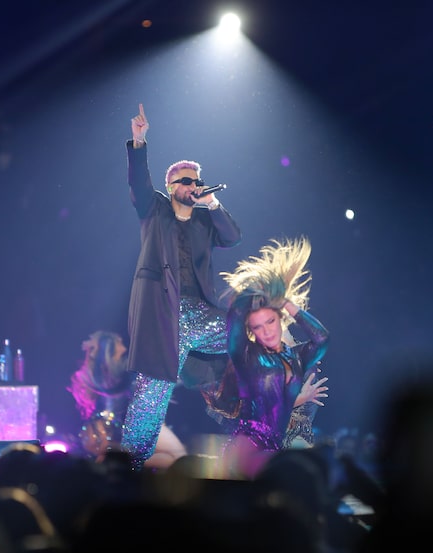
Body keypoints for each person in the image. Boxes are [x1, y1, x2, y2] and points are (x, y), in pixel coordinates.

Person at [119, 103, 243, 470]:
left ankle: (262, 423)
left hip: (198, 312)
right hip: (163, 316)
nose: (191, 186)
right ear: (170, 186)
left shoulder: (206, 221)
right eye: (184, 181)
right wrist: (138, 143)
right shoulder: (154, 210)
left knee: (249, 333)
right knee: (151, 391)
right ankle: (127, 469)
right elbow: (138, 185)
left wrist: (214, 202)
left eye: (195, 181)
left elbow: (234, 237)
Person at [217, 236, 330, 478]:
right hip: (247, 449)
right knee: (295, 471)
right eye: (257, 327)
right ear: (251, 331)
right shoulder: (246, 356)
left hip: (274, 447)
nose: (267, 331)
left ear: (280, 319)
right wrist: (254, 291)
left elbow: (321, 339)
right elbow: (236, 313)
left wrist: (287, 304)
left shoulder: (298, 358)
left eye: (270, 321)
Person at [68, 330, 187, 469]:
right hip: (141, 421)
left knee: (175, 457)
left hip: (137, 423)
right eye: (119, 344)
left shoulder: (113, 377)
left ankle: (119, 463)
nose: (124, 347)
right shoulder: (121, 374)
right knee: (177, 456)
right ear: (109, 350)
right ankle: (119, 463)